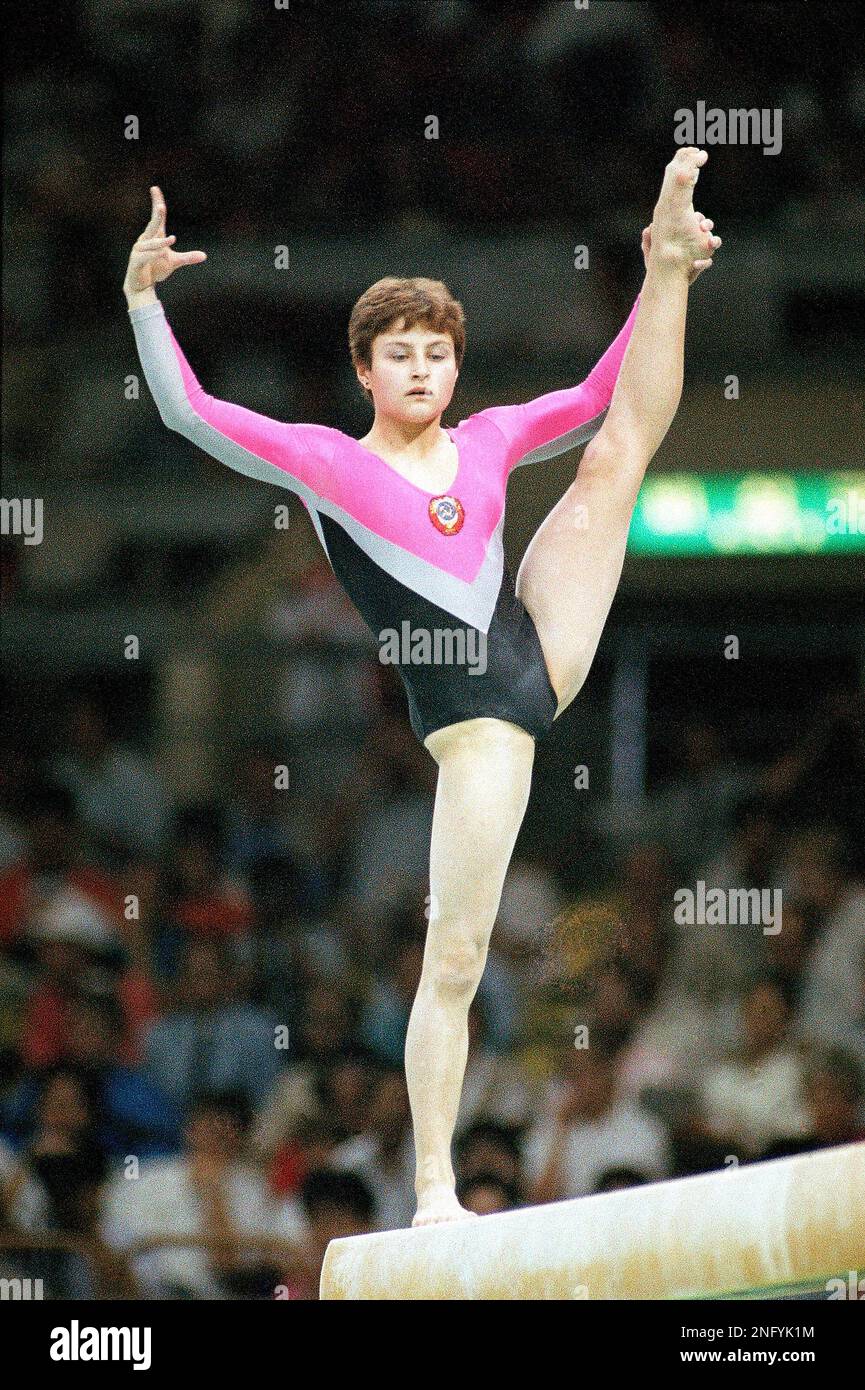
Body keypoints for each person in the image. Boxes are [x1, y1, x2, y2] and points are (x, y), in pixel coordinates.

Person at [124, 150, 721, 1224]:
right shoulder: (325, 464)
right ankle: (435, 1190)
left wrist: (653, 278)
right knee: (454, 954)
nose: (419, 370)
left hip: (535, 644)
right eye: (398, 354)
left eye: (436, 354)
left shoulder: (489, 438)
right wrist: (141, 302)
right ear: (366, 370)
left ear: (454, 369)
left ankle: (673, 252)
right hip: (476, 722)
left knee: (615, 453)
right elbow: (190, 413)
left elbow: (598, 396)